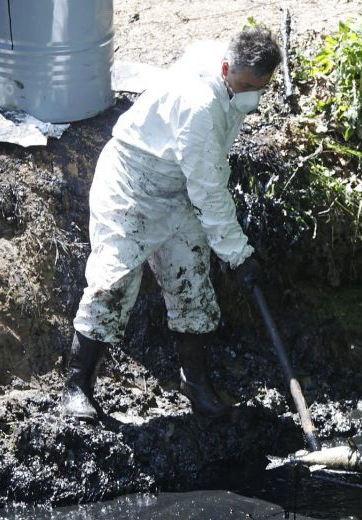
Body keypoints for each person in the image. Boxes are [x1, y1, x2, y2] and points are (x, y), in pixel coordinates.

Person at [60, 27, 282, 424]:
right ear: (226, 67)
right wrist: (239, 255)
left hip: (177, 186)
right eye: (247, 85)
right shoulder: (199, 107)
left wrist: (229, 251)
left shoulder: (225, 65)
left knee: (193, 282)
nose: (253, 95)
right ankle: (77, 387)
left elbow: (201, 181)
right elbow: (210, 191)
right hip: (134, 181)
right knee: (114, 280)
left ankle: (195, 384)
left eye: (260, 88)